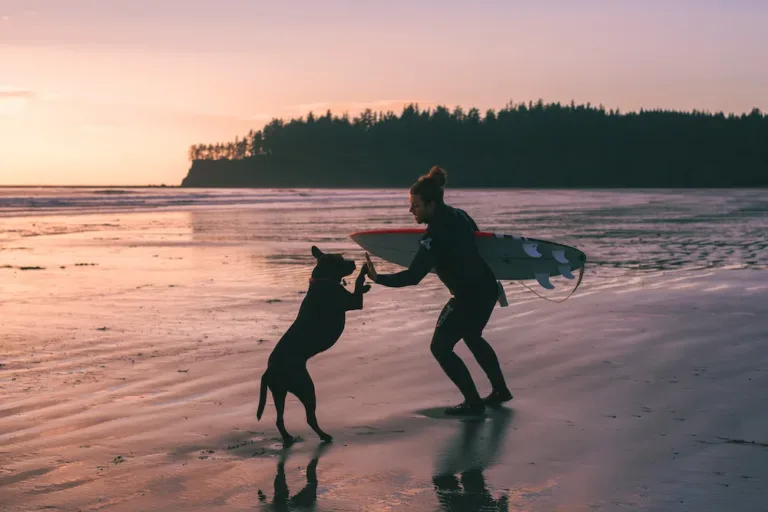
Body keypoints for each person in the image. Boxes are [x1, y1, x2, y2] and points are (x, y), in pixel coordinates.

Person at [364, 166, 513, 416]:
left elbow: (412, 277)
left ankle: (473, 402)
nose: (411, 210)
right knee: (472, 336)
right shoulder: (461, 215)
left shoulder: (433, 236)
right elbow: (483, 248)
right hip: (486, 288)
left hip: (468, 296)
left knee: (440, 347)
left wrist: (378, 278)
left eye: (415, 205)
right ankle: (500, 390)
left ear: (431, 204)